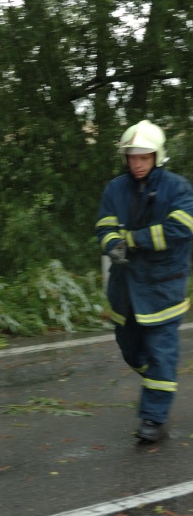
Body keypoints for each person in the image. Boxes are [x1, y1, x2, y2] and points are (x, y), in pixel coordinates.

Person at [96, 119, 193, 443]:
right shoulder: (114, 189)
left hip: (163, 288)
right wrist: (112, 244)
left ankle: (154, 419)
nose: (137, 163)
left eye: (144, 157)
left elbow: (182, 228)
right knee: (131, 350)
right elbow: (104, 227)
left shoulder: (178, 188)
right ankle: (158, 381)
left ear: (156, 156)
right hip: (126, 291)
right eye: (132, 157)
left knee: (161, 353)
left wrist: (134, 239)